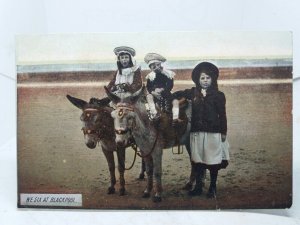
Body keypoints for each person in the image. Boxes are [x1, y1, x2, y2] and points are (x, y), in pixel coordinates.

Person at [173, 62, 229, 198]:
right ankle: (198, 187)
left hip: (213, 133)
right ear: (198, 80)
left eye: (208, 78)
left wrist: (223, 132)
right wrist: (175, 109)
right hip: (197, 132)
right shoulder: (192, 93)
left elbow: (222, 115)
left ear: (213, 79)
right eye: (202, 78)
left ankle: (212, 187)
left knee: (213, 161)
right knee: (198, 161)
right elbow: (174, 95)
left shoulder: (219, 95)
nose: (205, 81)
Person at [144, 53, 180, 124]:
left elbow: (170, 85)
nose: (156, 67)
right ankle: (154, 113)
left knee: (176, 102)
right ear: (150, 68)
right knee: (148, 97)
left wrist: (163, 90)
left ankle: (175, 118)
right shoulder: (150, 76)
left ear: (160, 64)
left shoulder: (167, 73)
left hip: (166, 93)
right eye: (153, 66)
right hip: (154, 94)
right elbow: (148, 87)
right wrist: (153, 92)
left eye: (158, 65)